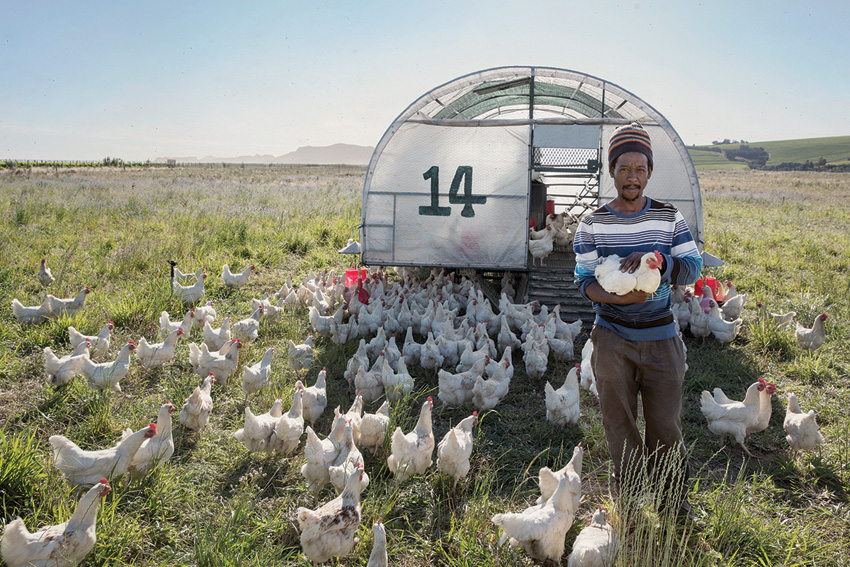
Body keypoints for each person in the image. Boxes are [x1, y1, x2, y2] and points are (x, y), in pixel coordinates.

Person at [572, 122, 703, 518]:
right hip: (611, 337)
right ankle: (629, 502)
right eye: (624, 168)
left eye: (640, 168)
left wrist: (658, 263)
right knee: (619, 423)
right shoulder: (593, 223)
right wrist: (619, 296)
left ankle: (670, 501)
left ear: (649, 172)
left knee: (665, 423)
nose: (632, 176)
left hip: (661, 334)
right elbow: (583, 281)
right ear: (611, 171)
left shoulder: (668, 217)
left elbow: (693, 268)